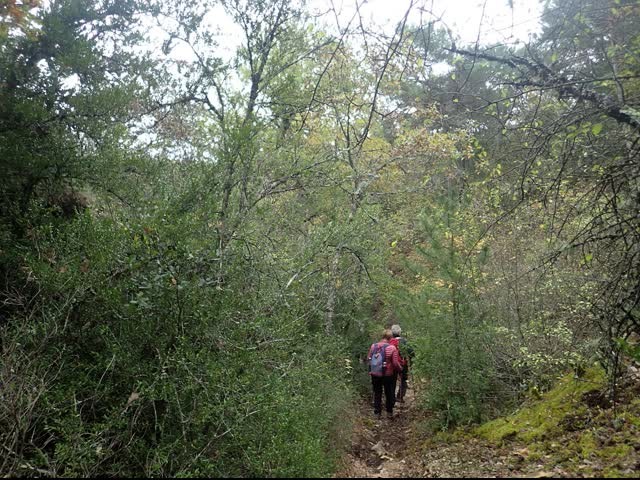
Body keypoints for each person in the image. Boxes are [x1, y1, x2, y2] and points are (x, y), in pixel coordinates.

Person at [367, 329, 403, 419]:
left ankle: (377, 413)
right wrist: (400, 369)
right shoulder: (392, 348)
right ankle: (389, 412)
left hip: (375, 373)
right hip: (388, 375)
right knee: (389, 393)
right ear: (391, 337)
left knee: (377, 392)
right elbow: (395, 363)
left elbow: (369, 359)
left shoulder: (373, 346)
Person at [390, 324, 414, 403]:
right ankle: (400, 396)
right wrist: (411, 363)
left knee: (392, 380)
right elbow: (411, 352)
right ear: (400, 332)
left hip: (392, 364)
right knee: (403, 380)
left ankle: (391, 397)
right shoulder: (404, 341)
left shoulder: (390, 341)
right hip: (403, 364)